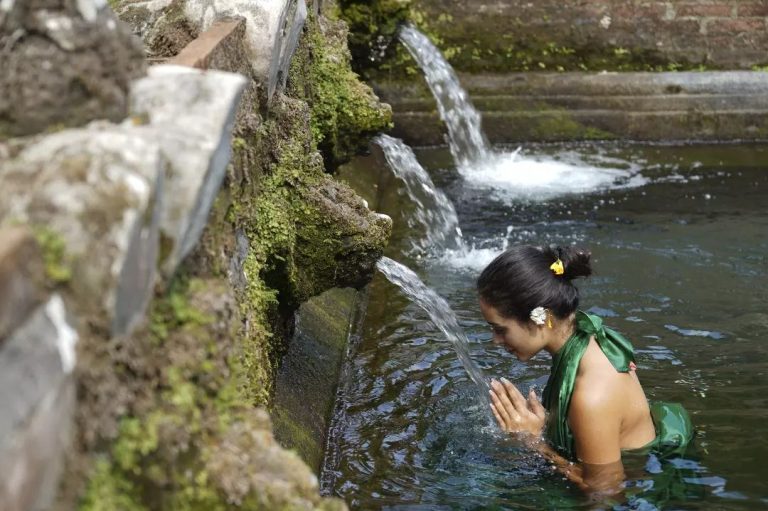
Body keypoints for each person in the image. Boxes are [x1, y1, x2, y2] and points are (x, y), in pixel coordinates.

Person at [477, 245, 693, 496]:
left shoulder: (591, 396)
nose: (495, 340)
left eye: (500, 329)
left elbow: (606, 493)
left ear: (541, 317)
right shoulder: (581, 335)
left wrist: (534, 441)